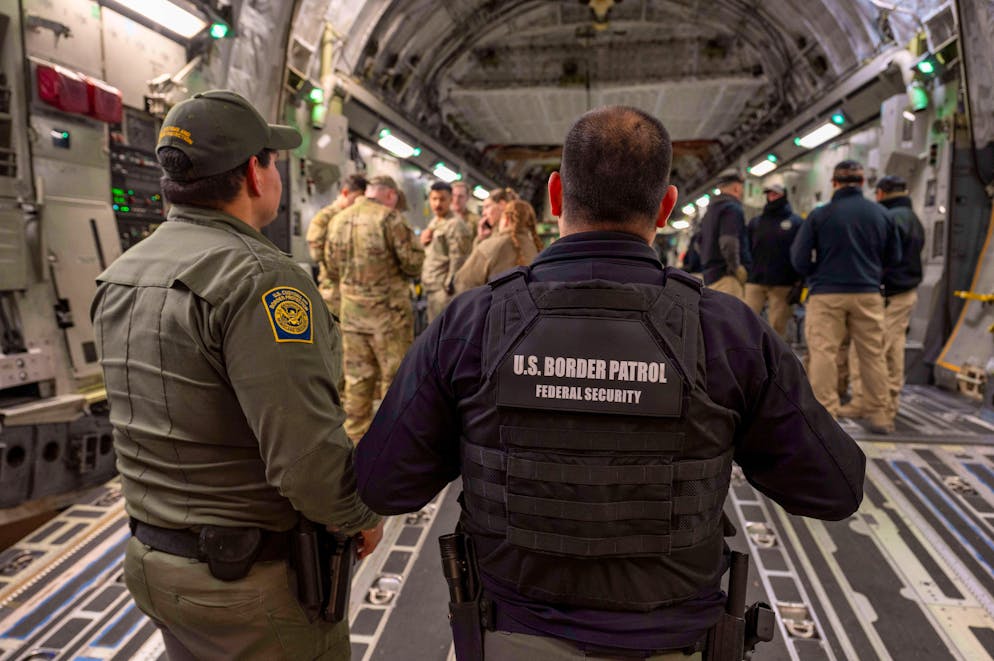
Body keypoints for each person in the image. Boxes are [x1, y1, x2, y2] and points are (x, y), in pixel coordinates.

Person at [355, 105, 865, 660]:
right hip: (675, 641)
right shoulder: (728, 332)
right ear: (667, 205)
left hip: (506, 634)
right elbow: (833, 488)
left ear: (556, 196)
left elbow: (383, 484)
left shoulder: (470, 322)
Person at [90, 90, 382, 660]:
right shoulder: (261, 279)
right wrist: (359, 517)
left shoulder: (121, 274)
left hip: (153, 564)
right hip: (249, 590)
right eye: (273, 160)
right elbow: (306, 461)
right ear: (254, 172)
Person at [790, 160, 902, 433]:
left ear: (834, 183)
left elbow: (798, 258)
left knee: (824, 352)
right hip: (867, 293)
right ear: (863, 183)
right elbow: (895, 258)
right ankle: (880, 415)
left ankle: (825, 416)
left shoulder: (820, 215)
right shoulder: (881, 214)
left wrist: (816, 274)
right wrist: (872, 274)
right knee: (872, 354)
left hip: (826, 294)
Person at [326, 174, 424, 442]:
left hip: (351, 318)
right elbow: (413, 264)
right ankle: (394, 448)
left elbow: (331, 268)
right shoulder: (390, 219)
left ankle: (355, 446)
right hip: (389, 319)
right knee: (396, 385)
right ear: (390, 195)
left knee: (357, 386)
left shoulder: (338, 220)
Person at [841, 175, 925, 420]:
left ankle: (863, 402)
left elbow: (885, 257)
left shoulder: (889, 218)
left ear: (881, 193)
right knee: (894, 348)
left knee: (867, 350)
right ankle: (891, 401)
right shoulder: (912, 218)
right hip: (907, 293)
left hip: (890, 295)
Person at [745, 183, 802, 337]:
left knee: (777, 327)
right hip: (755, 280)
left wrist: (799, 280)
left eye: (775, 194)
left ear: (784, 196)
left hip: (783, 283)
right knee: (747, 322)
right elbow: (746, 247)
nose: (772, 197)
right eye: (769, 194)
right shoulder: (756, 222)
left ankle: (775, 353)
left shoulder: (795, 222)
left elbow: (800, 251)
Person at [306, 173, 367, 311]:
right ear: (345, 193)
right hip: (334, 292)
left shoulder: (360, 217)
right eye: (357, 198)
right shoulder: (325, 217)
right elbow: (316, 253)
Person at [454, 199, 544, 293]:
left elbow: (462, 282)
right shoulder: (535, 247)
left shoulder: (490, 246)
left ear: (506, 219)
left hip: (491, 302)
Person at [420, 181, 473, 321]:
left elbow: (459, 259)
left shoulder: (455, 224)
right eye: (434, 199)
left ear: (450, 199)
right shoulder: (435, 221)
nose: (437, 204)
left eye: (442, 199)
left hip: (444, 291)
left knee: (442, 329)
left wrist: (449, 287)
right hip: (432, 286)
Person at [698, 172, 750, 300]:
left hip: (710, 277)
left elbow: (698, 243)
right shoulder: (732, 209)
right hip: (727, 277)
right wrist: (736, 268)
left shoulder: (709, 212)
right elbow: (728, 242)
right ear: (736, 188)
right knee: (732, 313)